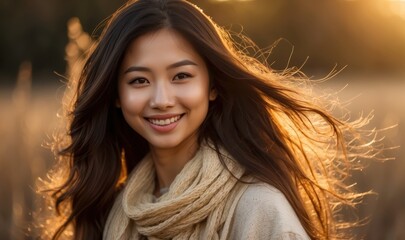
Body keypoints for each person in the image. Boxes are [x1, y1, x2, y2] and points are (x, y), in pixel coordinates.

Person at [41, 0, 375, 239]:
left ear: (212, 86)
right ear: (116, 95)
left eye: (181, 76)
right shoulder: (117, 210)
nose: (161, 100)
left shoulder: (258, 210)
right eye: (139, 81)